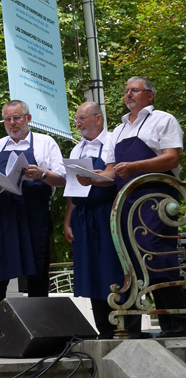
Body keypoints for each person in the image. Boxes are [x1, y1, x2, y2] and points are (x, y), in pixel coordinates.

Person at [0, 99, 66, 351]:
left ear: (28, 118)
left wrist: (41, 174)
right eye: (7, 119)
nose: (12, 123)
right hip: (4, 215)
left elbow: (63, 178)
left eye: (17, 118)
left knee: (37, 273)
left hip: (34, 215)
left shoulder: (45, 142)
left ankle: (40, 331)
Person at [99, 77, 186, 337]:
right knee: (130, 259)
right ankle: (133, 326)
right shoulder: (118, 130)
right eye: (126, 90)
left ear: (150, 95)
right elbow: (111, 171)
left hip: (156, 199)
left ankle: (177, 322)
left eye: (134, 90)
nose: (128, 94)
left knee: (157, 254)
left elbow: (171, 158)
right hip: (126, 202)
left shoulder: (163, 120)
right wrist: (90, 177)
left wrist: (135, 167)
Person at [62, 102, 124, 338]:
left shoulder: (112, 141)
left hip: (107, 213)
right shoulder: (76, 150)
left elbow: (115, 177)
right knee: (92, 273)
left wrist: (95, 179)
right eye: (76, 119)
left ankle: (125, 325)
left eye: (82, 118)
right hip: (84, 217)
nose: (77, 123)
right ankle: (104, 329)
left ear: (98, 118)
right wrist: (68, 220)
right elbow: (72, 188)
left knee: (113, 269)